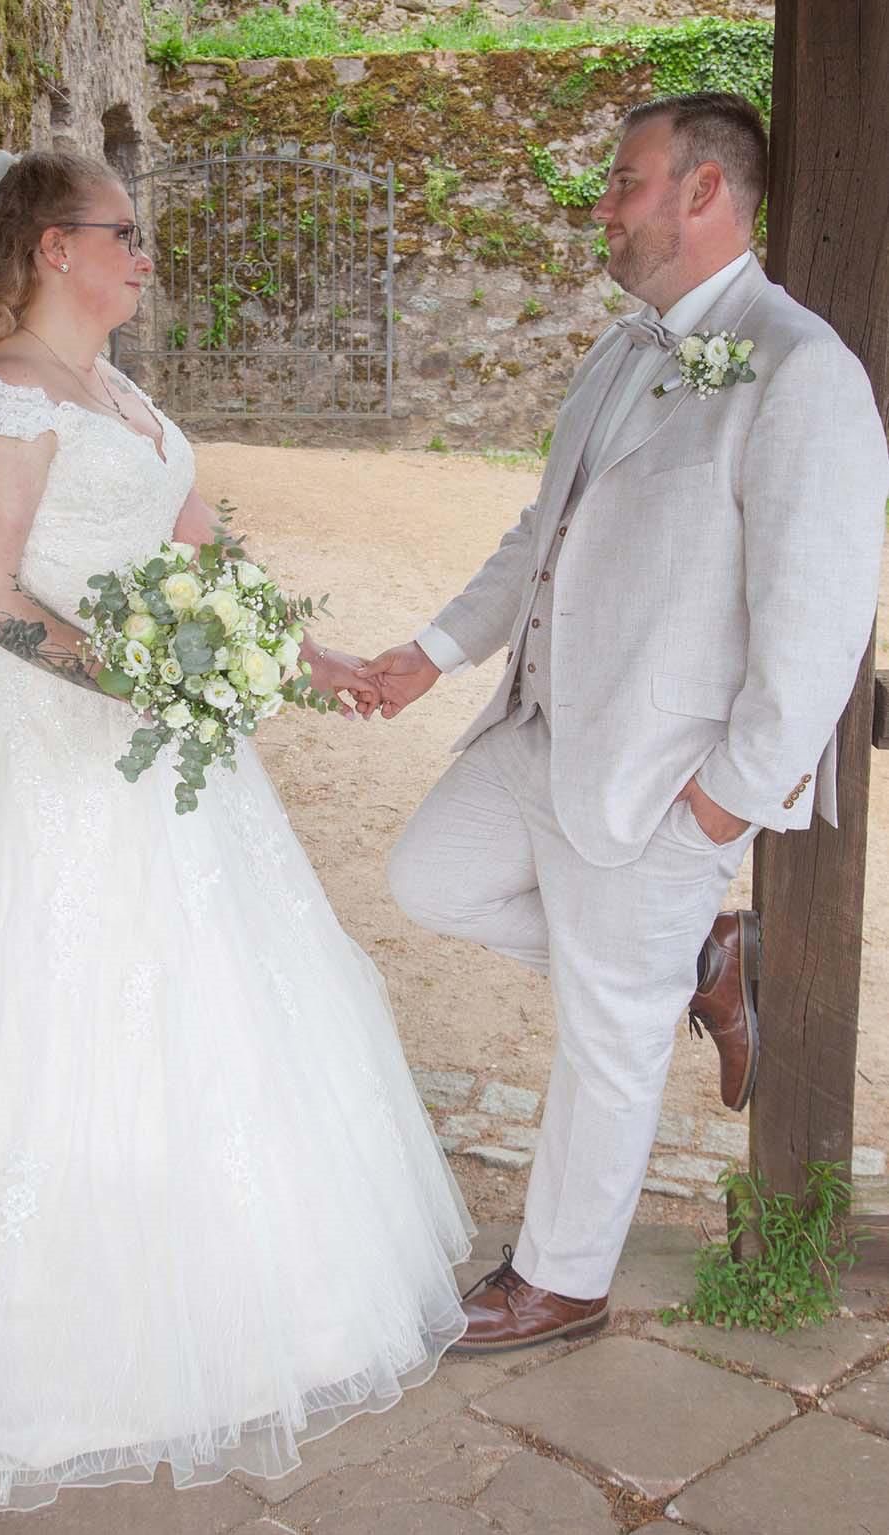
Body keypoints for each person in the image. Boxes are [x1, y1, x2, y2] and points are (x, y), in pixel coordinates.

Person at [0, 149, 473, 1509]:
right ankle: (0, 1371)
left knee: (212, 1005)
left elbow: (210, 564)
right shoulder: (2, 397)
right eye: (123, 233)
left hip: (168, 756)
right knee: (43, 1017)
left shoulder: (125, 397)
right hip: (42, 753)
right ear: (52, 248)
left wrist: (303, 657)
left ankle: (243, 1321)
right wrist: (143, 676)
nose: (144, 255)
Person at [361, 92, 887, 1350]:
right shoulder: (619, 347)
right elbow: (534, 533)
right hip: (542, 730)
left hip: (658, 776)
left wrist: (722, 803)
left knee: (607, 1033)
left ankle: (562, 1279)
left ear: (704, 192)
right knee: (428, 875)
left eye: (625, 181)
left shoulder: (803, 369)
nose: (602, 204)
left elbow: (818, 623)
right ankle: (698, 962)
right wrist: (432, 654)